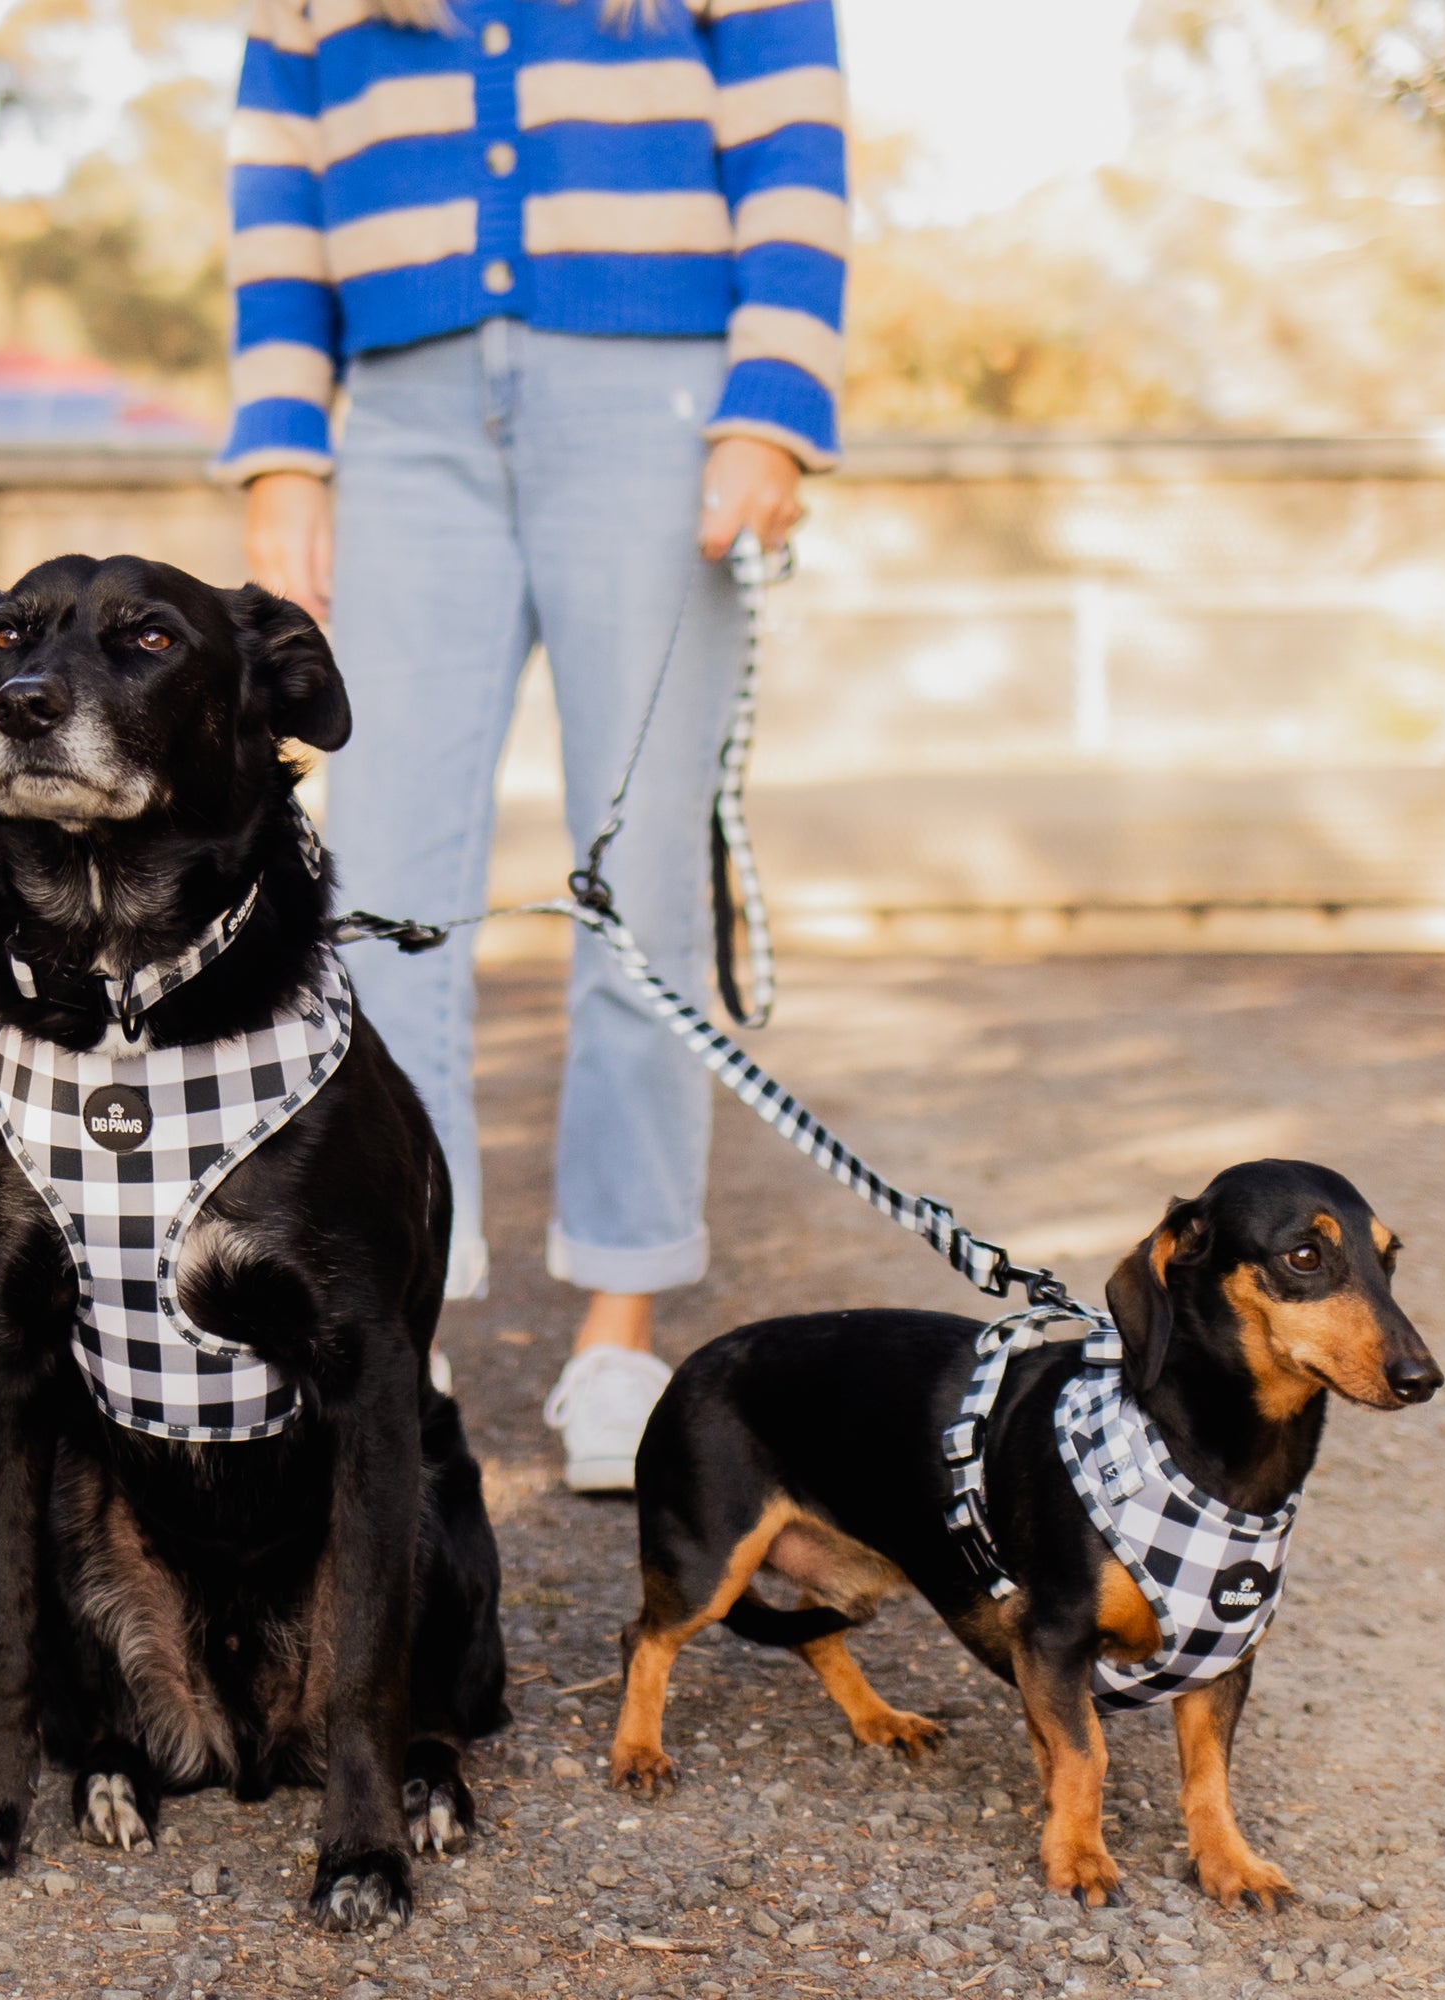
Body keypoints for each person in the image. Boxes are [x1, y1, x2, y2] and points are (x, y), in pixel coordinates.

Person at [217, 0, 846, 1491]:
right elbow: (275, 201)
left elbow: (794, 148)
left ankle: (620, 1331)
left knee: (639, 887)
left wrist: (771, 405)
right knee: (376, 896)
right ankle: (394, 1309)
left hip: (656, 399)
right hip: (405, 422)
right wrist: (281, 450)